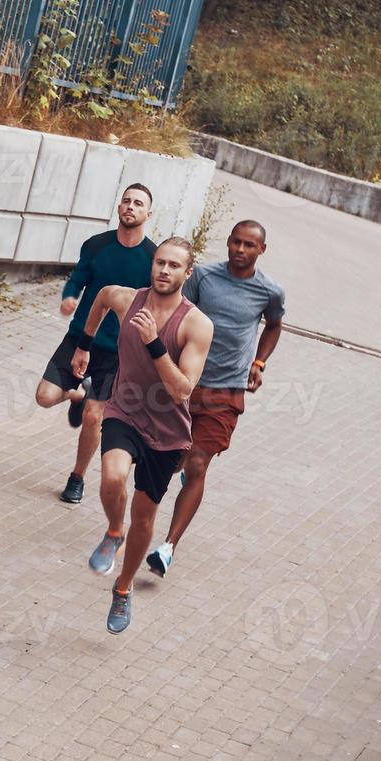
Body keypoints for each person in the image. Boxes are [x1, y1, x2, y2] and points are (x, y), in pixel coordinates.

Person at [72, 237, 214, 634]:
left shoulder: (197, 324)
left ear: (188, 274)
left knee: (146, 517)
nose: (164, 271)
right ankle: (113, 531)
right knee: (113, 477)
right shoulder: (127, 299)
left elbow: (182, 389)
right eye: (160, 263)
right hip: (125, 409)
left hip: (167, 433)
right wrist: (84, 344)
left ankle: (123, 588)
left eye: (174, 266)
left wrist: (153, 342)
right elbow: (99, 297)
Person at [145, 221, 285, 576]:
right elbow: (178, 312)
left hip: (226, 392)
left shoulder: (269, 291)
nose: (241, 249)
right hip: (185, 385)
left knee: (197, 465)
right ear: (228, 243)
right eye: (236, 242)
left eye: (249, 245)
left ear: (261, 250)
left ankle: (168, 547)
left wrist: (259, 361)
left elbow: (274, 324)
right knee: (171, 460)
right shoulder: (204, 278)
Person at [35, 184, 156, 505]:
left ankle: (76, 478)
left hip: (119, 352)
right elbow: (78, 278)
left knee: (94, 417)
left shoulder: (153, 258)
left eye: (138, 203)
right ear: (119, 208)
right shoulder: (96, 245)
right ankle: (78, 392)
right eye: (127, 201)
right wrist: (70, 297)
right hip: (80, 338)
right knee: (44, 397)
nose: (131, 207)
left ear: (148, 214)